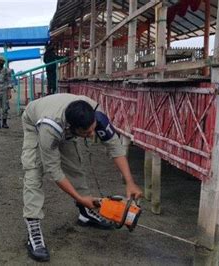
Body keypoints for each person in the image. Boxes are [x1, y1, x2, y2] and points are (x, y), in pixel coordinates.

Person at [20, 93, 143, 261]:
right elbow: (54, 171)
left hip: (62, 123)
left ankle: (86, 213)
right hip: (35, 121)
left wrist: (130, 182)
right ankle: (33, 229)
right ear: (72, 128)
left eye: (93, 128)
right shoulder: (48, 130)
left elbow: (114, 145)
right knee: (34, 171)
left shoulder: (96, 114)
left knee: (74, 166)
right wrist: (78, 197)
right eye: (86, 132)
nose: (92, 134)